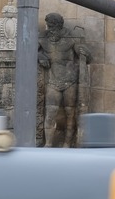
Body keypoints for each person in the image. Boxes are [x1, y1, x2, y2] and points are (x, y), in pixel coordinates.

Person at [38, 12, 90, 148]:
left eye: (52, 26)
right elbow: (29, 51)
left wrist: (84, 52)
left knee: (70, 112)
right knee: (50, 112)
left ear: (59, 26)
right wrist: (40, 56)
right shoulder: (43, 38)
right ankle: (48, 143)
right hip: (53, 80)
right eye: (48, 26)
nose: (49, 29)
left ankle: (68, 143)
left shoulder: (71, 37)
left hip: (70, 81)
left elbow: (87, 57)